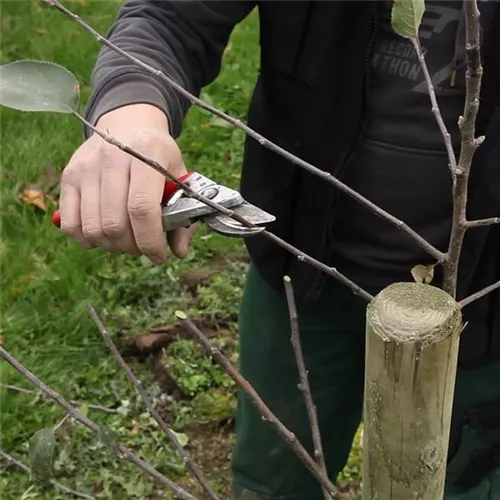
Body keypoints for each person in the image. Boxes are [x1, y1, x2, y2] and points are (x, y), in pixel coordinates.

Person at [59, 1, 500, 499]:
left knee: (471, 484)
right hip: (302, 272)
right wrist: (129, 115)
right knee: (276, 482)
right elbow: (169, 15)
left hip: (487, 312)